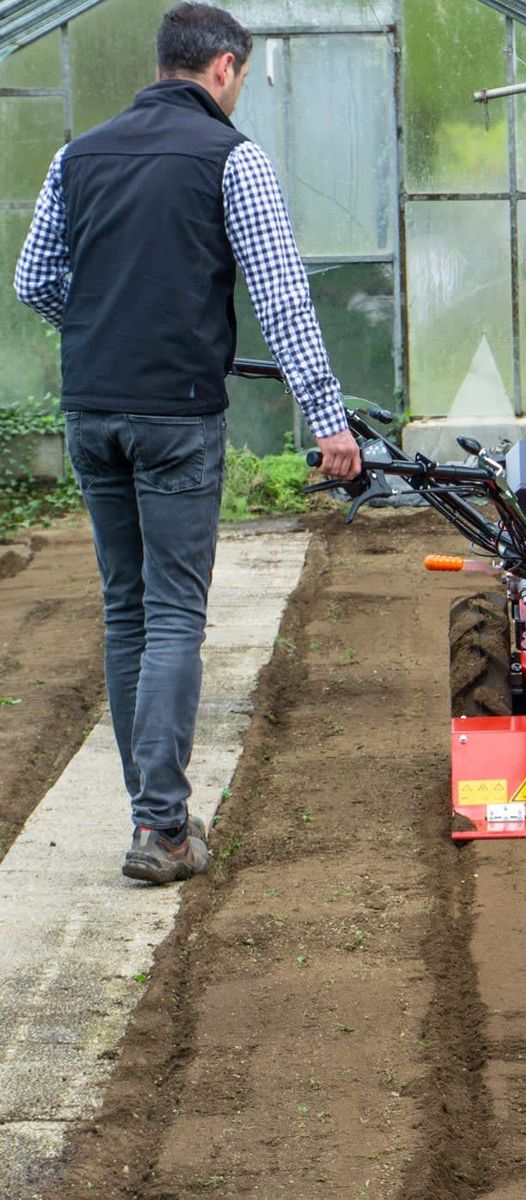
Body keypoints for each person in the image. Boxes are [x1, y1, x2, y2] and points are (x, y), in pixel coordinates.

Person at [13, 2, 361, 884]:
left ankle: (153, 820)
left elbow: (35, 280)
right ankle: (161, 828)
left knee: (127, 611)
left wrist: (103, 330)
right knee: (172, 614)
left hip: (92, 409)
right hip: (176, 417)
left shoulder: (76, 154)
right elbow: (282, 299)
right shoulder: (230, 159)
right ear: (224, 70)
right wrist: (329, 419)